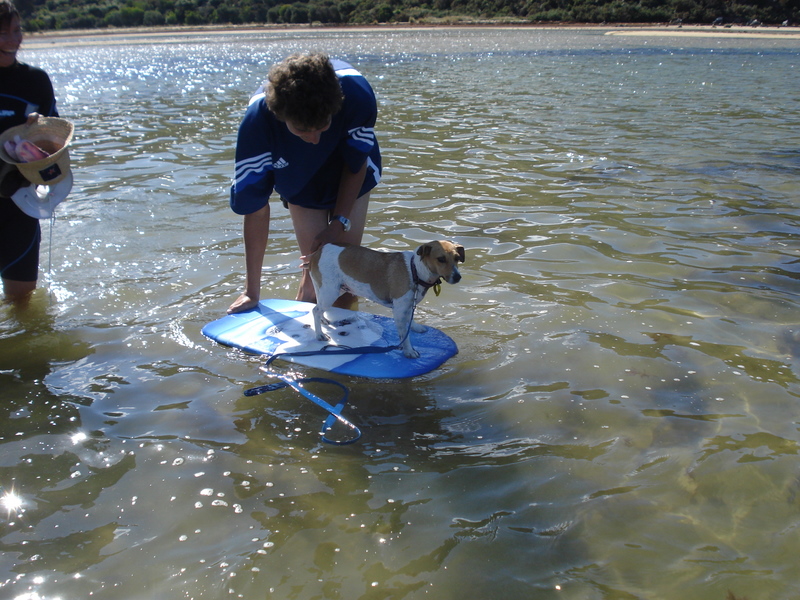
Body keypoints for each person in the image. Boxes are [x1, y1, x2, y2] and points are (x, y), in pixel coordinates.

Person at [227, 51, 381, 314]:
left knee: (343, 282)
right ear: (279, 116)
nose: (315, 140)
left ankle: (345, 339)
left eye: (322, 127)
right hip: (298, 176)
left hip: (349, 167)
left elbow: (355, 165)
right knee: (314, 279)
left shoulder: (356, 95)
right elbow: (255, 208)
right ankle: (308, 324)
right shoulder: (257, 125)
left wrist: (339, 222)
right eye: (302, 131)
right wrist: (252, 291)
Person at [0, 0, 60, 304]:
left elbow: (55, 150)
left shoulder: (35, 81)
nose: (12, 39)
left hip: (19, 203)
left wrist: (41, 134)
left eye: (17, 30)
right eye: (3, 33)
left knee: (21, 300)